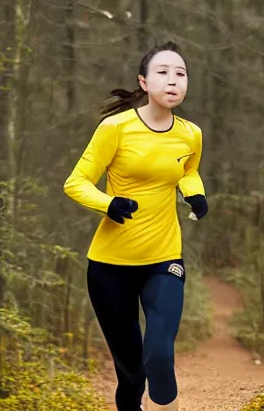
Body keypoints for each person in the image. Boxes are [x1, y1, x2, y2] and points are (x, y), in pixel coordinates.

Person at [63, 41, 208, 411]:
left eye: (181, 73)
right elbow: (76, 182)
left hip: (163, 259)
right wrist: (108, 203)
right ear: (144, 82)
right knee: (131, 373)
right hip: (109, 267)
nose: (173, 81)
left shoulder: (191, 134)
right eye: (163, 72)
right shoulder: (115, 128)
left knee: (158, 354)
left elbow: (188, 170)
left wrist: (194, 193)